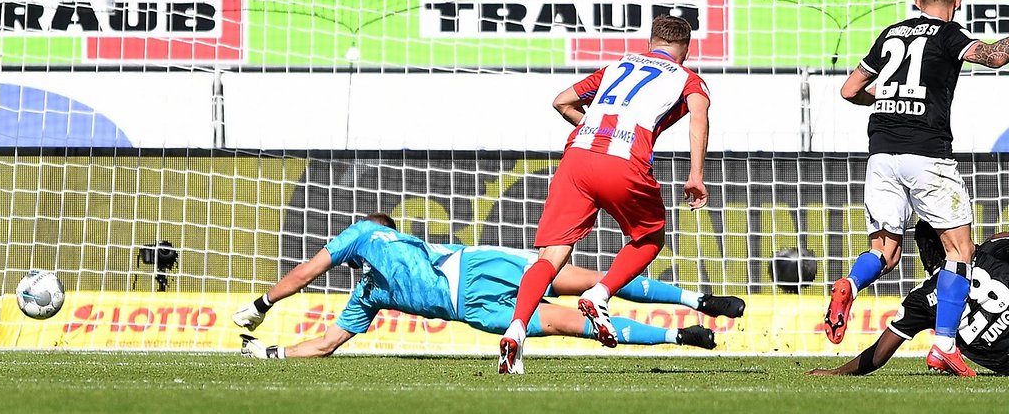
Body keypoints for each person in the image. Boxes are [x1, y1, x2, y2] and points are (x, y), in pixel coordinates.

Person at [499, 14, 710, 374]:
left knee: (550, 257)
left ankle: (516, 329)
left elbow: (561, 101)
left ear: (650, 43)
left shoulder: (619, 65)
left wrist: (592, 128)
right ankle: (599, 294)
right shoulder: (688, 79)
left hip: (578, 157)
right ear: (685, 51)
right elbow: (698, 116)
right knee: (650, 236)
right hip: (624, 160)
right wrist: (695, 175)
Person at [826, 0, 1009, 375]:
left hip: (880, 154)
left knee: (885, 252)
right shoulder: (949, 34)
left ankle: (850, 284)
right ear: (957, 3)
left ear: (916, 0)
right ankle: (944, 344)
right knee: (959, 252)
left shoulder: (891, 33)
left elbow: (849, 89)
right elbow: (994, 57)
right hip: (927, 153)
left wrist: (887, 103)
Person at [233, 213, 745, 360]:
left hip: (475, 271)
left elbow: (303, 273)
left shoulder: (363, 234)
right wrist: (271, 352)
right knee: (580, 312)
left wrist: (262, 304)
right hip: (474, 305)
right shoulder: (365, 296)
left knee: (586, 287)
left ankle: (696, 306)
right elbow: (325, 343)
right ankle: (686, 333)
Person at [811, 220, 1009, 377]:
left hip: (1004, 360)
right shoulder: (991, 248)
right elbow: (1000, 237)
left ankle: (854, 282)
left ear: (926, 255)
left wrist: (834, 372)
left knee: (883, 254)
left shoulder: (921, 299)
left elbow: (879, 355)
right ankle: (945, 348)